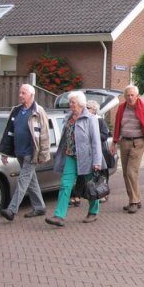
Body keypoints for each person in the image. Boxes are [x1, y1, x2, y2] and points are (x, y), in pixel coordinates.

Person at [45, 91, 105, 227]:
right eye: (70, 102)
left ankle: (93, 212)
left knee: (91, 186)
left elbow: (96, 141)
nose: (70, 104)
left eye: (73, 102)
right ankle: (59, 216)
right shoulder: (68, 118)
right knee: (65, 185)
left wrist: (97, 162)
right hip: (71, 157)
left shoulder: (90, 119)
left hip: (87, 158)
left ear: (80, 104)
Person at [0, 84, 51, 221]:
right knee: (31, 181)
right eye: (20, 92)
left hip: (31, 153)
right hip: (19, 152)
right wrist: (5, 152)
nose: (20, 95)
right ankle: (39, 207)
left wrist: (43, 154)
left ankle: (11, 210)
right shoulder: (15, 111)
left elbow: (45, 134)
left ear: (31, 95)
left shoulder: (39, 111)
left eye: (23, 93)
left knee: (23, 180)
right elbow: (9, 132)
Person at [110, 85, 144, 214]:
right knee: (125, 173)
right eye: (128, 95)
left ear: (137, 96)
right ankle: (135, 198)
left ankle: (133, 202)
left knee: (131, 171)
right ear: (125, 97)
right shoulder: (121, 108)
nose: (130, 98)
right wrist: (114, 143)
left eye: (132, 95)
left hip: (138, 142)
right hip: (124, 141)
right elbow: (117, 125)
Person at [86, 100, 113, 203]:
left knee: (101, 174)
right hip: (88, 152)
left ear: (94, 110)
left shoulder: (100, 121)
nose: (86, 110)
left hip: (100, 151)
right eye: (86, 108)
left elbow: (105, 135)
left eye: (88, 108)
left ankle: (103, 193)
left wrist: (94, 135)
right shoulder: (85, 120)